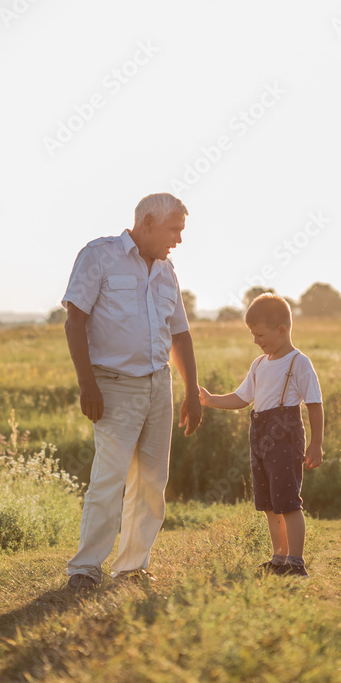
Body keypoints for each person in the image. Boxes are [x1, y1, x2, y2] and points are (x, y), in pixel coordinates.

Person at [61, 193, 202, 592]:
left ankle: (132, 566)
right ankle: (85, 568)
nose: (178, 239)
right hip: (113, 385)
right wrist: (87, 384)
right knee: (110, 478)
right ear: (148, 223)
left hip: (160, 386)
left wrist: (191, 391)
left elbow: (180, 334)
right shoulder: (98, 256)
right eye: (174, 229)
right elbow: (75, 322)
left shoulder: (167, 270)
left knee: (153, 481)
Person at [199, 293, 323, 578]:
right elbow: (242, 398)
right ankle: (279, 558)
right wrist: (210, 400)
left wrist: (316, 443)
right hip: (260, 439)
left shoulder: (298, 363)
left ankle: (296, 561)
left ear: (281, 330)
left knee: (289, 502)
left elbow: (315, 404)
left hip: (286, 437)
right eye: (253, 335)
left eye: (260, 334)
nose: (256, 340)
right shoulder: (258, 364)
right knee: (269, 504)